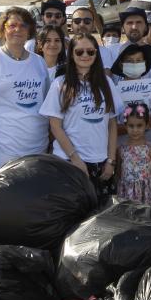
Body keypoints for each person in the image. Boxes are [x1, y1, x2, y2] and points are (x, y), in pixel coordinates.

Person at [0, 8, 51, 171]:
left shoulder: (39, 62)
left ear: (30, 30)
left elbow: (46, 107)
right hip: (3, 150)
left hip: (38, 147)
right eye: (12, 25)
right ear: (2, 28)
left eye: (23, 25)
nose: (17, 30)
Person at [41, 36, 118, 194]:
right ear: (71, 54)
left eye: (90, 51)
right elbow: (55, 126)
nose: (85, 55)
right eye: (79, 51)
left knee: (100, 215)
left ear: (96, 54)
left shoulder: (107, 83)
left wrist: (111, 160)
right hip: (69, 161)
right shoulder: (60, 84)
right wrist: (75, 159)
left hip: (101, 162)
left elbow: (112, 123)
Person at [115, 103, 151, 205]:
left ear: (147, 125)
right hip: (125, 196)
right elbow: (118, 174)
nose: (135, 130)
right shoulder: (121, 149)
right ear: (125, 126)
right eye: (131, 126)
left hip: (147, 194)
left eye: (139, 125)